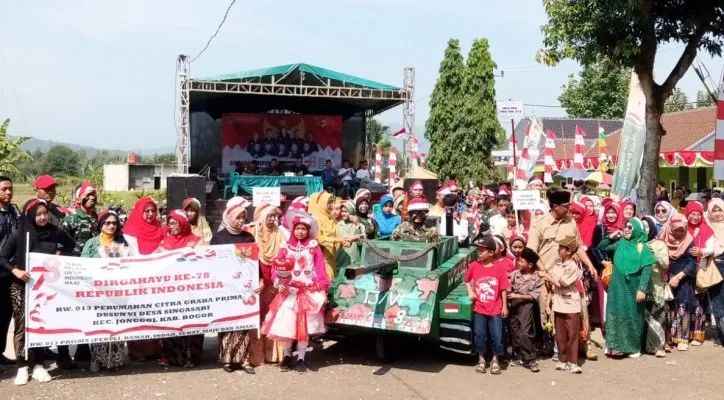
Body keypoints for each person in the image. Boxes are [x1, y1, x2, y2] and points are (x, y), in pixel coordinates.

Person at [1, 199, 75, 385]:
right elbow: (2, 257)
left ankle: (38, 365)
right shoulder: (20, 234)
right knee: (22, 324)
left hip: (44, 287)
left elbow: (70, 245)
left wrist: (60, 255)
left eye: (45, 213)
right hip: (20, 285)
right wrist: (15, 270)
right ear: (31, 215)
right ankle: (22, 366)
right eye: (38, 214)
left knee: (42, 324)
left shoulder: (54, 231)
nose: (42, 217)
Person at [261, 214, 330, 374]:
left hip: (307, 292)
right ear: (293, 230)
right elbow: (275, 268)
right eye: (298, 228)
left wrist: (322, 289)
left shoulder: (313, 247)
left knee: (303, 327)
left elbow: (320, 269)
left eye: (303, 229)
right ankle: (286, 356)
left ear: (308, 230)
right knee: (287, 325)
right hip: (288, 293)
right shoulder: (285, 248)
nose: (300, 232)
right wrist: (279, 284)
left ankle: (301, 358)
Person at [527, 188, 598, 331]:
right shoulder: (539, 223)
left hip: (569, 277)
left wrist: (590, 265)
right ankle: (552, 346)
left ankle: (582, 344)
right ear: (555, 206)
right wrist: (545, 273)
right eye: (566, 206)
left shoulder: (571, 221)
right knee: (548, 314)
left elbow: (577, 246)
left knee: (578, 310)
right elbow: (531, 251)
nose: (569, 209)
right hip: (547, 277)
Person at [81, 210, 133, 372]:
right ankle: (97, 360)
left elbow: (131, 266)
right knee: (99, 327)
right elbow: (83, 265)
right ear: (101, 225)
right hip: (97, 293)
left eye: (114, 223)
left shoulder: (123, 243)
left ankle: (116, 361)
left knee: (117, 327)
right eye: (107, 223)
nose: (111, 226)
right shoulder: (91, 243)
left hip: (118, 293)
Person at [211, 197, 258, 373]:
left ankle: (244, 359)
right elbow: (212, 263)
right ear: (229, 217)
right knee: (227, 322)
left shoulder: (248, 237)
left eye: (243, 218)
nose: (240, 221)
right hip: (226, 287)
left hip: (244, 287)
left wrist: (258, 279)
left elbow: (254, 261)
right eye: (237, 217)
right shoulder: (218, 238)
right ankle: (227, 359)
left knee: (244, 322)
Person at [597, 218, 655, 358]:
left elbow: (647, 269)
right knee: (615, 313)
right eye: (625, 227)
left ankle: (633, 348)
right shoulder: (619, 244)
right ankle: (613, 346)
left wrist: (642, 289)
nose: (627, 229)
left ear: (637, 230)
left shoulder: (643, 247)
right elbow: (601, 246)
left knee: (633, 315)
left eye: (630, 227)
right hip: (617, 287)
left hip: (634, 288)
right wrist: (611, 236)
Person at [122, 197, 165, 361]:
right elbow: (132, 256)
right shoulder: (130, 232)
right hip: (138, 279)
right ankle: (138, 352)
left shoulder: (159, 229)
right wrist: (153, 257)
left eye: (153, 210)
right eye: (146, 211)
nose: (150, 214)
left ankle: (156, 349)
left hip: (156, 280)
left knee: (155, 312)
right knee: (140, 313)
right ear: (139, 211)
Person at [246, 203, 286, 365]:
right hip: (257, 283)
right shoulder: (250, 233)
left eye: (275, 216)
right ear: (261, 217)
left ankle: (274, 355)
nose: (273, 219)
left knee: (273, 316)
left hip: (275, 283)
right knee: (256, 317)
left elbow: (285, 257)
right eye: (270, 216)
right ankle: (256, 356)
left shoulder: (280, 234)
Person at [466, 237, 509, 375]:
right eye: (478, 250)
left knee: (497, 334)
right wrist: (471, 291)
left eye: (482, 250)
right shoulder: (474, 265)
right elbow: (466, 280)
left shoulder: (499, 268)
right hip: (479, 308)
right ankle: (481, 359)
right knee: (480, 334)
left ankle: (496, 360)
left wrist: (504, 306)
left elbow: (503, 288)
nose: (479, 253)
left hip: (495, 308)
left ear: (491, 253)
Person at [540, 237, 583, 373]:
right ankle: (562, 359)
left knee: (572, 334)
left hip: (571, 304)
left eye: (561, 248)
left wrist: (546, 276)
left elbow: (561, 283)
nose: (558, 250)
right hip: (558, 303)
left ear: (568, 251)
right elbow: (554, 281)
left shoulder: (572, 266)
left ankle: (573, 362)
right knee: (560, 334)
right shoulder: (558, 263)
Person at [661, 216, 698, 351]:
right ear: (670, 229)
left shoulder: (689, 242)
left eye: (682, 230)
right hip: (666, 278)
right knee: (669, 307)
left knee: (683, 306)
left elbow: (692, 263)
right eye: (676, 230)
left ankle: (683, 338)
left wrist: (678, 277)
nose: (679, 233)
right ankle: (670, 337)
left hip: (684, 279)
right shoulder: (663, 239)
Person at [508, 247, 542, 372]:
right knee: (515, 331)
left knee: (525, 332)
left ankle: (531, 358)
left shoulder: (536, 277)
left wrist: (518, 296)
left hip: (526, 306)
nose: (519, 263)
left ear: (531, 264)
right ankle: (518, 356)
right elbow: (507, 283)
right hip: (514, 306)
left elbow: (533, 296)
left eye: (522, 261)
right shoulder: (515, 275)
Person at [641, 216, 671, 357]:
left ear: (652, 228)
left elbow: (665, 263)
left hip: (656, 285)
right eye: (642, 227)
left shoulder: (659, 244)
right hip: (639, 286)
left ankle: (658, 347)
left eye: (647, 227)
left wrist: (653, 255)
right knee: (642, 316)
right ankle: (642, 346)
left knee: (657, 316)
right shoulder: (636, 243)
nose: (645, 230)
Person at [685, 201, 713, 345]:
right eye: (692, 214)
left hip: (700, 269)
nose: (695, 217)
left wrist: (701, 251)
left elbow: (711, 247)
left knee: (699, 302)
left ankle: (697, 334)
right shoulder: (683, 227)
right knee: (686, 301)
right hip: (684, 270)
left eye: (698, 214)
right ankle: (686, 333)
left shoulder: (706, 229)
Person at [0, 176, 20, 367]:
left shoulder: (14, 211)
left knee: (6, 314)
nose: (8, 192)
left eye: (10, 189)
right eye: (4, 189)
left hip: (11, 271)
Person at [309, 191, 352, 279]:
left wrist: (345, 242)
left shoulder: (331, 219)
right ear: (321, 203)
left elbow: (336, 237)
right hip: (319, 259)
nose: (331, 205)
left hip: (331, 258)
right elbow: (319, 238)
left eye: (332, 202)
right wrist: (338, 240)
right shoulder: (314, 219)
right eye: (328, 202)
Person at [705, 198, 724, 346]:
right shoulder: (706, 226)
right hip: (713, 267)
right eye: (714, 210)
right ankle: (722, 334)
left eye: (720, 210)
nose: (717, 213)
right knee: (717, 301)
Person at [337, 201, 364, 265]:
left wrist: (357, 225)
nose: (343, 214)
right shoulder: (338, 224)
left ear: (352, 212)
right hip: (341, 259)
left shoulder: (358, 224)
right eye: (342, 211)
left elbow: (362, 242)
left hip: (355, 259)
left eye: (346, 211)